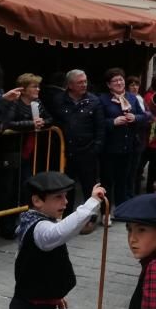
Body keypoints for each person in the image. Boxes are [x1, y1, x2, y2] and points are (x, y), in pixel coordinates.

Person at [9, 172, 106, 309]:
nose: (65, 202)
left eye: (65, 196)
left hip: (32, 304)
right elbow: (62, 231)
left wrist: (53, 294)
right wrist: (91, 202)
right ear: (37, 201)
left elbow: (34, 268)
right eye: (58, 198)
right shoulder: (42, 228)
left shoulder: (33, 221)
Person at [0, 73, 55, 239]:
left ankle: (21, 223)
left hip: (29, 153)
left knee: (25, 188)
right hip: (11, 152)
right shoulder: (15, 103)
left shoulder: (37, 103)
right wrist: (31, 125)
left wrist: (43, 123)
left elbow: (50, 119)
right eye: (34, 86)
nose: (38, 89)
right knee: (7, 190)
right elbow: (8, 123)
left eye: (38, 86)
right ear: (24, 89)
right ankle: (6, 227)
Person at [52, 69, 105, 234]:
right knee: (68, 187)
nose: (84, 85)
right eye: (80, 82)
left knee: (90, 186)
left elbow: (100, 128)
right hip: (66, 152)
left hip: (88, 152)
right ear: (70, 85)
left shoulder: (94, 101)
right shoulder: (59, 100)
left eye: (85, 81)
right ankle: (68, 220)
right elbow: (53, 121)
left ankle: (91, 219)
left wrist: (96, 148)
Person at [100, 67, 152, 209]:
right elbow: (98, 122)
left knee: (123, 180)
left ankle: (122, 209)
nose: (119, 82)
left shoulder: (132, 98)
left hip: (129, 146)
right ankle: (106, 212)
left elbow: (146, 116)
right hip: (109, 147)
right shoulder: (102, 99)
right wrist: (113, 122)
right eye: (115, 80)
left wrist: (135, 117)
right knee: (108, 181)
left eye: (121, 79)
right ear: (108, 85)